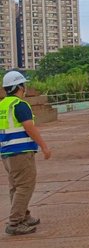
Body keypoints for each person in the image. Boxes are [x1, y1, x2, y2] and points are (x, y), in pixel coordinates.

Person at [1, 71, 52, 235]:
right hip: (21, 152)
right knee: (25, 186)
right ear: (19, 87)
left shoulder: (3, 105)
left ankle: (23, 216)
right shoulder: (19, 105)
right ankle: (15, 222)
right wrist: (44, 146)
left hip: (7, 152)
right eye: (24, 85)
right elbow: (29, 127)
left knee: (15, 186)